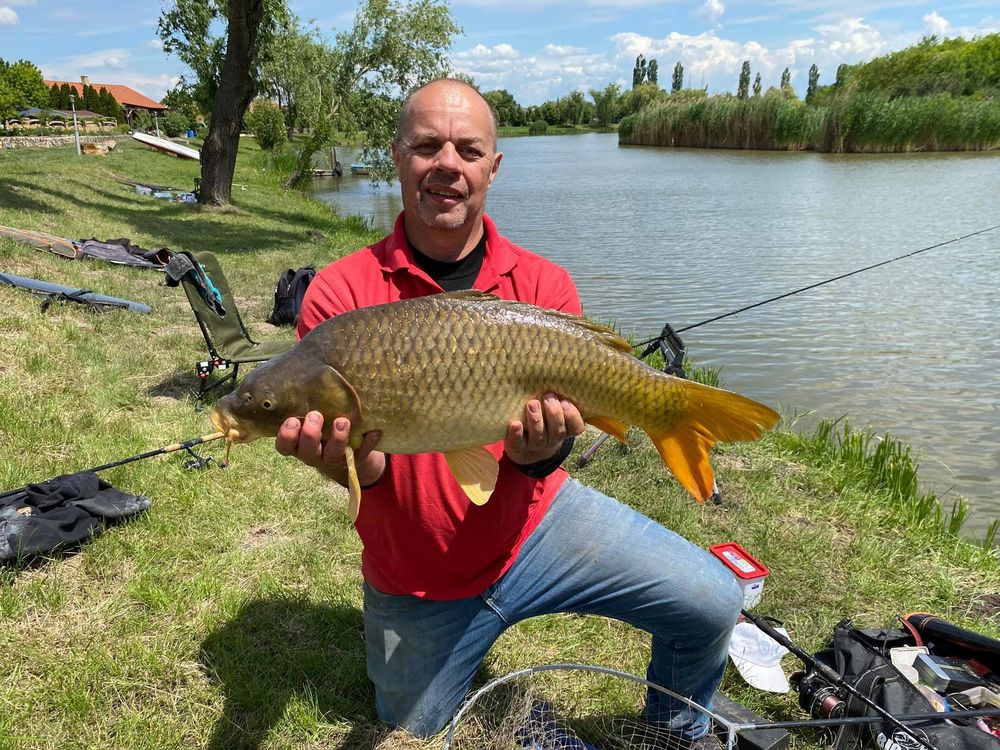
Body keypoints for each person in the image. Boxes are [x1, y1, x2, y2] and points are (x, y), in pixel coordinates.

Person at [275, 78, 742, 745]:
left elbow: (546, 452)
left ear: (493, 168)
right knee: (415, 729)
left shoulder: (544, 284)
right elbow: (366, 471)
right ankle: (507, 707)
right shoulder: (340, 296)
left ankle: (676, 733)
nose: (447, 164)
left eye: (468, 150)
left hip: (535, 528)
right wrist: (345, 461)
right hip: (419, 576)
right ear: (396, 156)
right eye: (427, 146)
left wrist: (539, 453)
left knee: (716, 601)